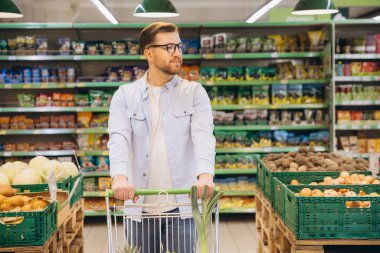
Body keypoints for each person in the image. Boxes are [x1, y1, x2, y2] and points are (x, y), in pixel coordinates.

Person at [108, 22, 216, 253]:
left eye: (179, 45)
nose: (177, 52)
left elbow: (203, 136)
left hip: (183, 206)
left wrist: (205, 175)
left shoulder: (194, 92)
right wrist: (119, 177)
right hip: (139, 207)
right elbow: (119, 139)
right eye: (168, 47)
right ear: (148, 52)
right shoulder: (124, 96)